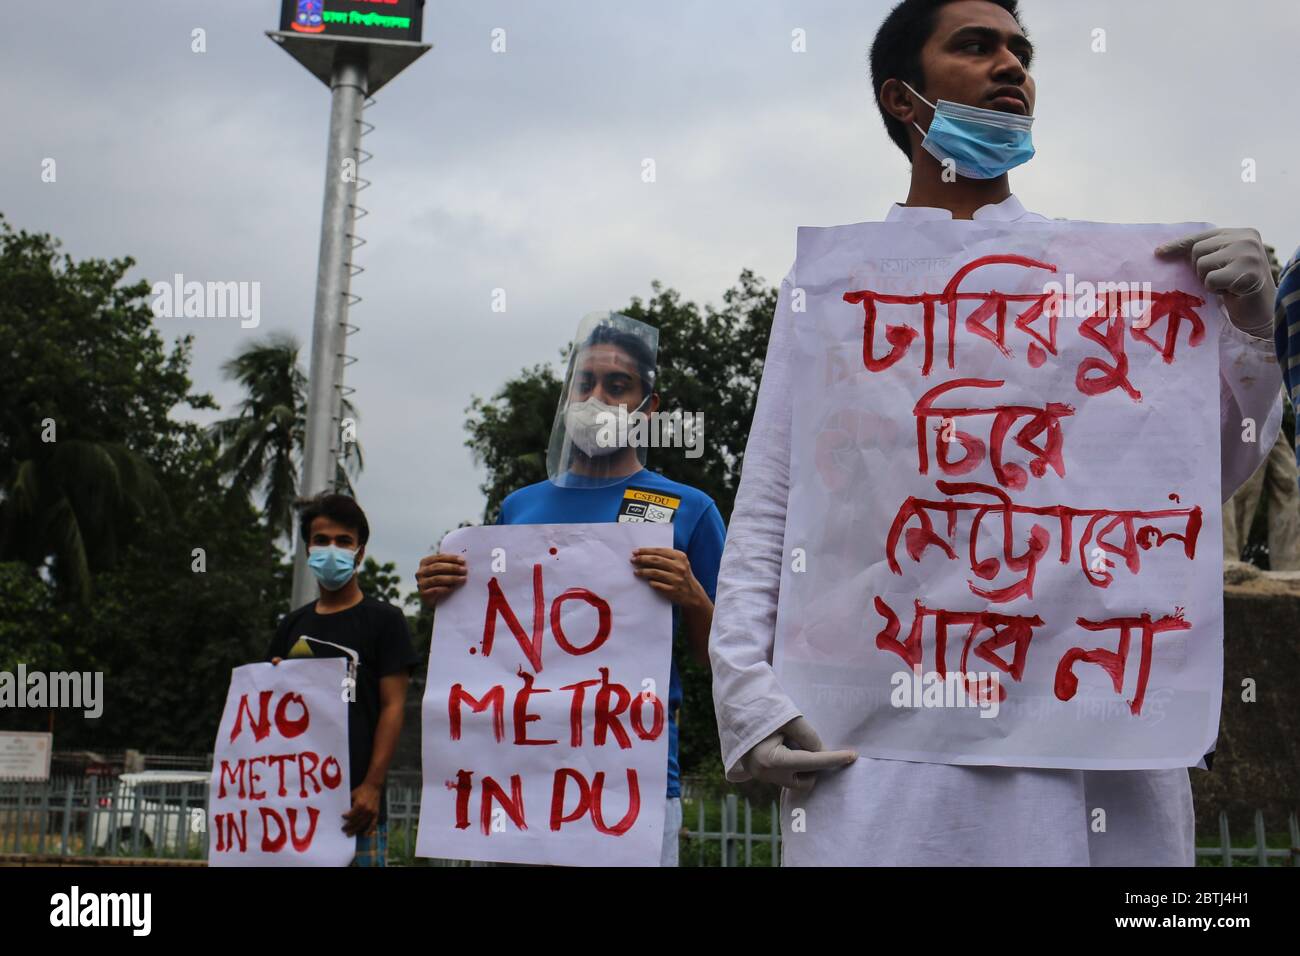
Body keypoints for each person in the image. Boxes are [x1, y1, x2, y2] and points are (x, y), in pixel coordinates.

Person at [708, 0, 1283, 866]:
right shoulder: (838, 287)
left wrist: (1248, 333)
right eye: (976, 47)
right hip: (883, 749)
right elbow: (773, 502)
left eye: (1021, 50)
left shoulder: (1116, 284)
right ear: (903, 100)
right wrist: (746, 689)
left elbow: (1202, 479)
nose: (1012, 65)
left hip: (1084, 752)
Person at [416, 312, 726, 867]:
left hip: (633, 785)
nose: (597, 398)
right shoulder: (518, 508)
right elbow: (489, 642)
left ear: (648, 409)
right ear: (566, 398)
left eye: (617, 385)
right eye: (584, 383)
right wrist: (444, 591)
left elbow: (727, 660)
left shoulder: (690, 510)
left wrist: (694, 597)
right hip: (518, 783)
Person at [267, 493, 420, 867]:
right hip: (294, 809)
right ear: (307, 549)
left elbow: (393, 705)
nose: (331, 549)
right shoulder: (291, 627)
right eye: (321, 540)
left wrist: (372, 785)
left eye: (343, 541)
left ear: (359, 552)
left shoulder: (385, 621)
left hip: (356, 807)